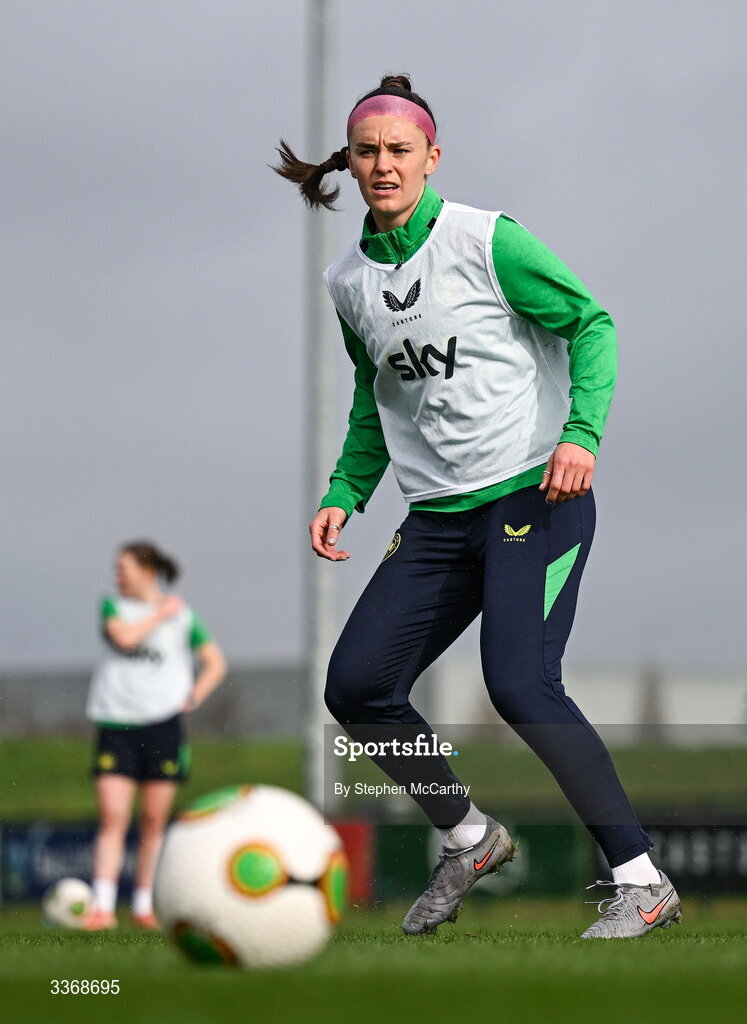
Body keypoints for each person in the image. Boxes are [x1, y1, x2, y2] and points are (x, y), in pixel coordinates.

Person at [274, 74, 681, 940]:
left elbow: (591, 324)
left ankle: (640, 880)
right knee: (356, 687)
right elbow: (372, 397)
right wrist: (344, 494)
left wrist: (581, 434)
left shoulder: (485, 240)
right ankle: (469, 836)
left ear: (431, 157)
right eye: (366, 151)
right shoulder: (346, 281)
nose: (381, 165)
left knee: (520, 682)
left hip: (538, 492)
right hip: (435, 518)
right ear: (348, 161)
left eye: (398, 150)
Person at [84, 540, 227, 929]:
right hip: (116, 723)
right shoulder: (114, 607)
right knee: (113, 816)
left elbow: (215, 662)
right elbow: (125, 639)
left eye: (123, 568)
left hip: (164, 726)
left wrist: (194, 695)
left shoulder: (185, 617)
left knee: (153, 820)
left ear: (146, 572)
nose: (117, 576)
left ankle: (145, 905)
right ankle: (102, 906)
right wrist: (160, 613)